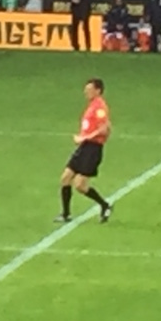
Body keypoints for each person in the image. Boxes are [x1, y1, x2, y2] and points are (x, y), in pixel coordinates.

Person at [57, 78, 113, 224]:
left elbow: (104, 129)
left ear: (98, 90)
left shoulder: (100, 107)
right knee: (65, 178)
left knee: (80, 185)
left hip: (92, 148)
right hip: (84, 147)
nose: (86, 92)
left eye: (89, 90)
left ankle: (105, 205)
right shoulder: (92, 105)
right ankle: (65, 214)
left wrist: (85, 137)